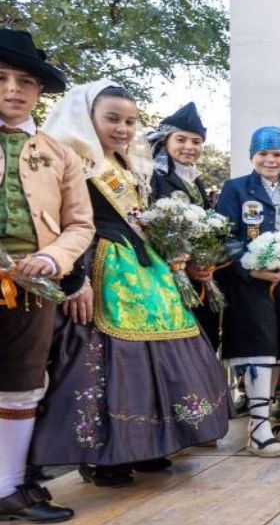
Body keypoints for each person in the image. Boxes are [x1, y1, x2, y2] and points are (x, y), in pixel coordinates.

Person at [31, 80, 230, 485]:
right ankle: (106, 455)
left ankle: (149, 444)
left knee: (160, 354)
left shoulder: (128, 166)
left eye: (130, 121)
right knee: (107, 360)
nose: (122, 128)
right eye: (112, 119)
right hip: (98, 265)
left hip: (145, 270)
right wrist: (76, 278)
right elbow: (57, 222)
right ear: (88, 117)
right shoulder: (70, 159)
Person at [0, 29, 94, 523]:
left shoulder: (58, 153)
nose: (13, 89)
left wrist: (55, 259)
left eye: (25, 81)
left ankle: (8, 486)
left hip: (33, 283)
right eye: (1, 78)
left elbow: (80, 222)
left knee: (22, 380)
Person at [215, 126, 280, 457]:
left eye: (277, 154)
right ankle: (258, 428)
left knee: (277, 352)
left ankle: (264, 420)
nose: (270, 160)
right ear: (251, 155)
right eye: (263, 153)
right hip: (249, 285)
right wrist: (250, 266)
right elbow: (222, 235)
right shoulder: (236, 189)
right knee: (259, 350)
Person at [147, 101, 220, 349]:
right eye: (181, 140)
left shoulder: (194, 179)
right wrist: (182, 265)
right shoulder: (152, 177)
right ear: (165, 140)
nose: (189, 147)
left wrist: (206, 262)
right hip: (167, 276)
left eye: (196, 141)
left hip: (198, 277)